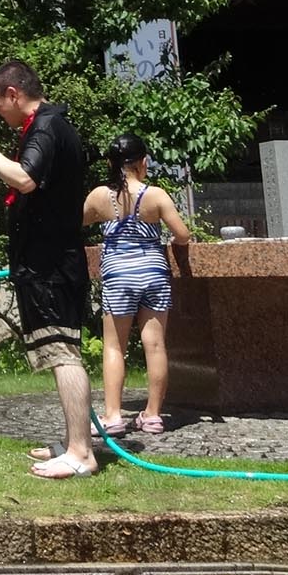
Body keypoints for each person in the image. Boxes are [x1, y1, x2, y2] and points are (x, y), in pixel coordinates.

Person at [0, 60, 97, 480]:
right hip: (48, 262)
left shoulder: (46, 127)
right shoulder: (54, 126)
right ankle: (73, 441)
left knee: (62, 353)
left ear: (12, 94)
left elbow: (25, 179)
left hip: (51, 265)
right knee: (58, 350)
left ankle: (81, 452)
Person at [85, 133, 190, 437]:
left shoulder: (99, 196)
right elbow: (182, 234)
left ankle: (114, 416)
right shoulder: (155, 195)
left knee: (114, 346)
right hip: (154, 271)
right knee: (155, 346)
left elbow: (74, 223)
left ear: (110, 163)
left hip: (118, 273)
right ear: (143, 163)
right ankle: (154, 416)